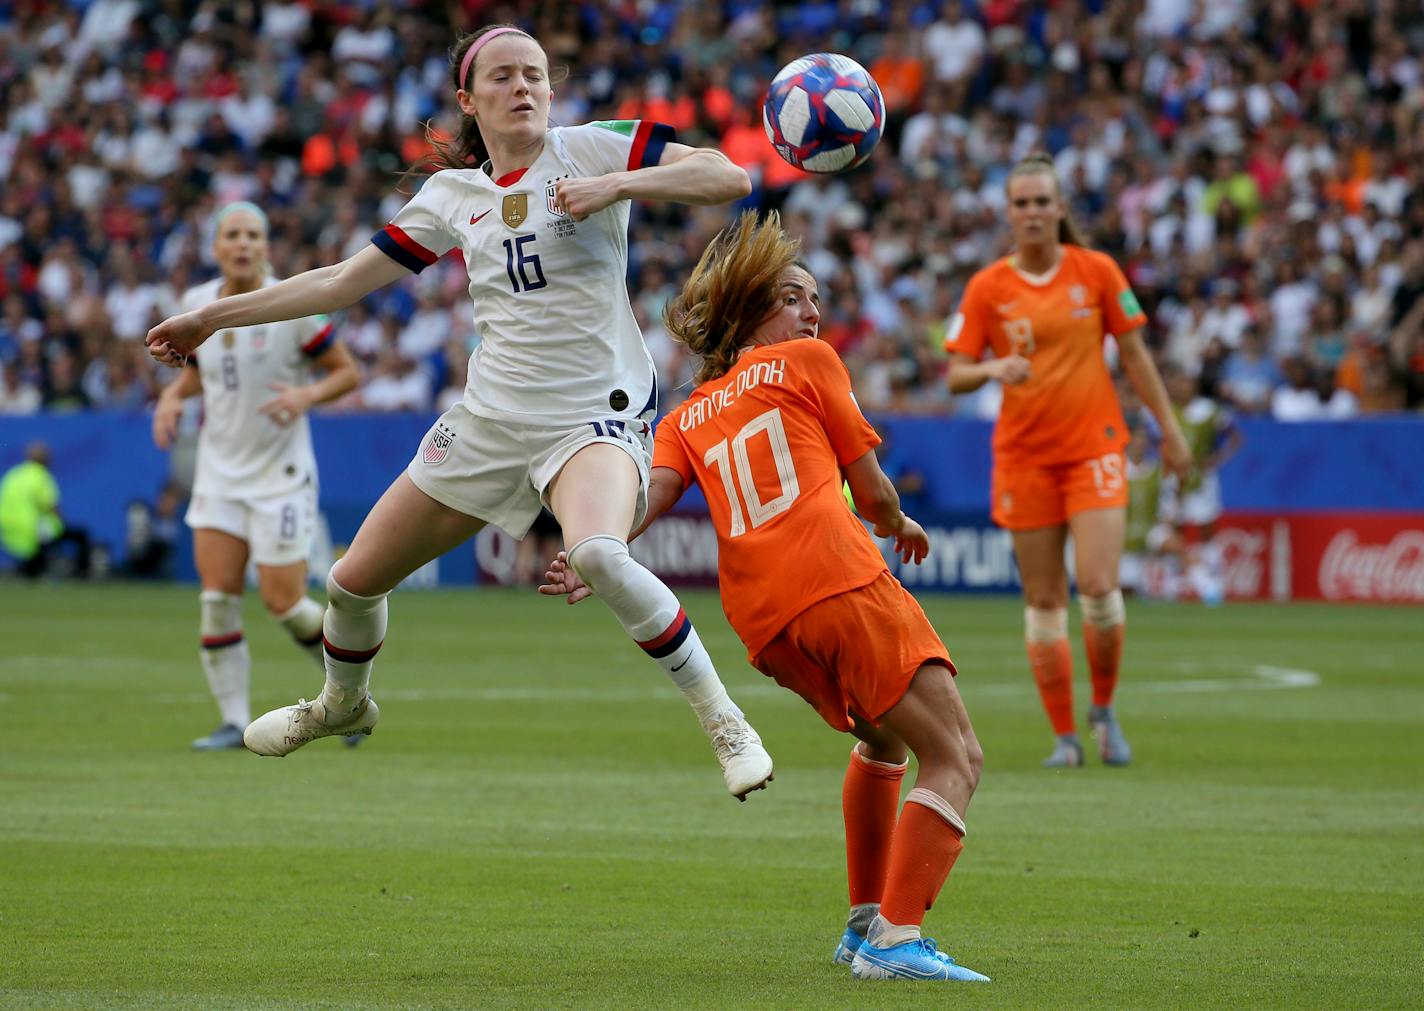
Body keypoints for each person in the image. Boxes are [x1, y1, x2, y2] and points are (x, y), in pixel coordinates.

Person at [146, 24, 773, 798]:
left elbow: (730, 176)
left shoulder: (594, 148)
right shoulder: (452, 196)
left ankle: (724, 721)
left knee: (600, 553)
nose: (524, 88)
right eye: (504, 77)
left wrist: (621, 187)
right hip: (489, 420)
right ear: (468, 102)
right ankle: (342, 704)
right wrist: (212, 318)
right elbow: (339, 282)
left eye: (535, 75)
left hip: (593, 417)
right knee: (349, 582)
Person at [543, 213, 989, 983]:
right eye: (793, 296)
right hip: (837, 577)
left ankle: (861, 923)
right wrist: (899, 522)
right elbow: (872, 490)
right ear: (751, 309)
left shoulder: (686, 415)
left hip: (765, 623)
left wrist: (599, 550)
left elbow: (646, 495)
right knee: (955, 756)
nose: (812, 314)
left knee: (884, 742)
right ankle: (897, 937)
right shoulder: (809, 363)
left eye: (816, 300)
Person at [945, 154, 1191, 768]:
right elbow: (955, 375)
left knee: (1102, 587)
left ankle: (1104, 712)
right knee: (1045, 601)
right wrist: (991, 368)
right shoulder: (987, 288)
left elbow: (1135, 357)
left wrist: (1171, 430)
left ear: (1059, 208)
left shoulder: (1097, 270)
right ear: (1009, 213)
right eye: (1021, 203)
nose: (1031, 212)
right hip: (1024, 459)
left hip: (1094, 449)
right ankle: (1065, 738)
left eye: (1040, 201)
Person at [151, 202, 362, 751]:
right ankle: (231, 721)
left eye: (252, 234)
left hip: (280, 475)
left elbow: (347, 372)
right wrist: (173, 396)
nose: (242, 243)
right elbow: (203, 372)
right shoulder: (198, 305)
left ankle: (349, 695)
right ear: (216, 247)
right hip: (219, 474)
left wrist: (305, 394)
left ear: (266, 246)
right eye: (232, 235)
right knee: (216, 598)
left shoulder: (292, 305)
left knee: (285, 604)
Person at [0, 440, 91, 579]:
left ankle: (34, 568)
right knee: (78, 534)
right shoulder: (41, 476)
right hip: (32, 531)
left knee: (39, 547)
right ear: (46, 459)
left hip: (7, 530)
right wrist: (62, 522)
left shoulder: (13, 474)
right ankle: (81, 573)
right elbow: (52, 506)